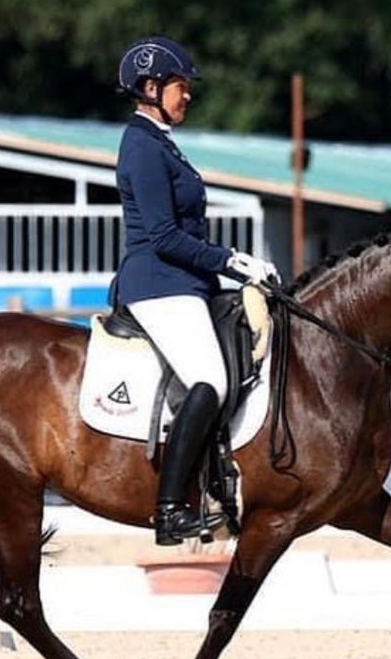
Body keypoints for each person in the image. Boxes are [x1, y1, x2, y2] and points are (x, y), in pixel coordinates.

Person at [112, 35, 279, 546]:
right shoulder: (141, 145)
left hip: (186, 283)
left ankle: (221, 481)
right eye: (181, 87)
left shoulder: (162, 141)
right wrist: (232, 261)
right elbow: (163, 236)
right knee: (211, 377)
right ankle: (169, 509)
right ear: (151, 87)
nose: (188, 96)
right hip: (158, 284)